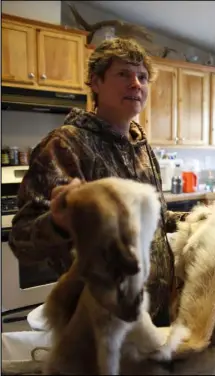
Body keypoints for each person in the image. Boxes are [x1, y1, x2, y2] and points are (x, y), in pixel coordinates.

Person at [9, 38, 186, 327]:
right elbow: (21, 240)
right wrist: (58, 223)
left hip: (152, 316)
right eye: (123, 74)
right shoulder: (65, 145)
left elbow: (155, 218)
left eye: (142, 76)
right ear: (95, 82)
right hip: (96, 322)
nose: (136, 84)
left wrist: (196, 219)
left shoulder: (141, 145)